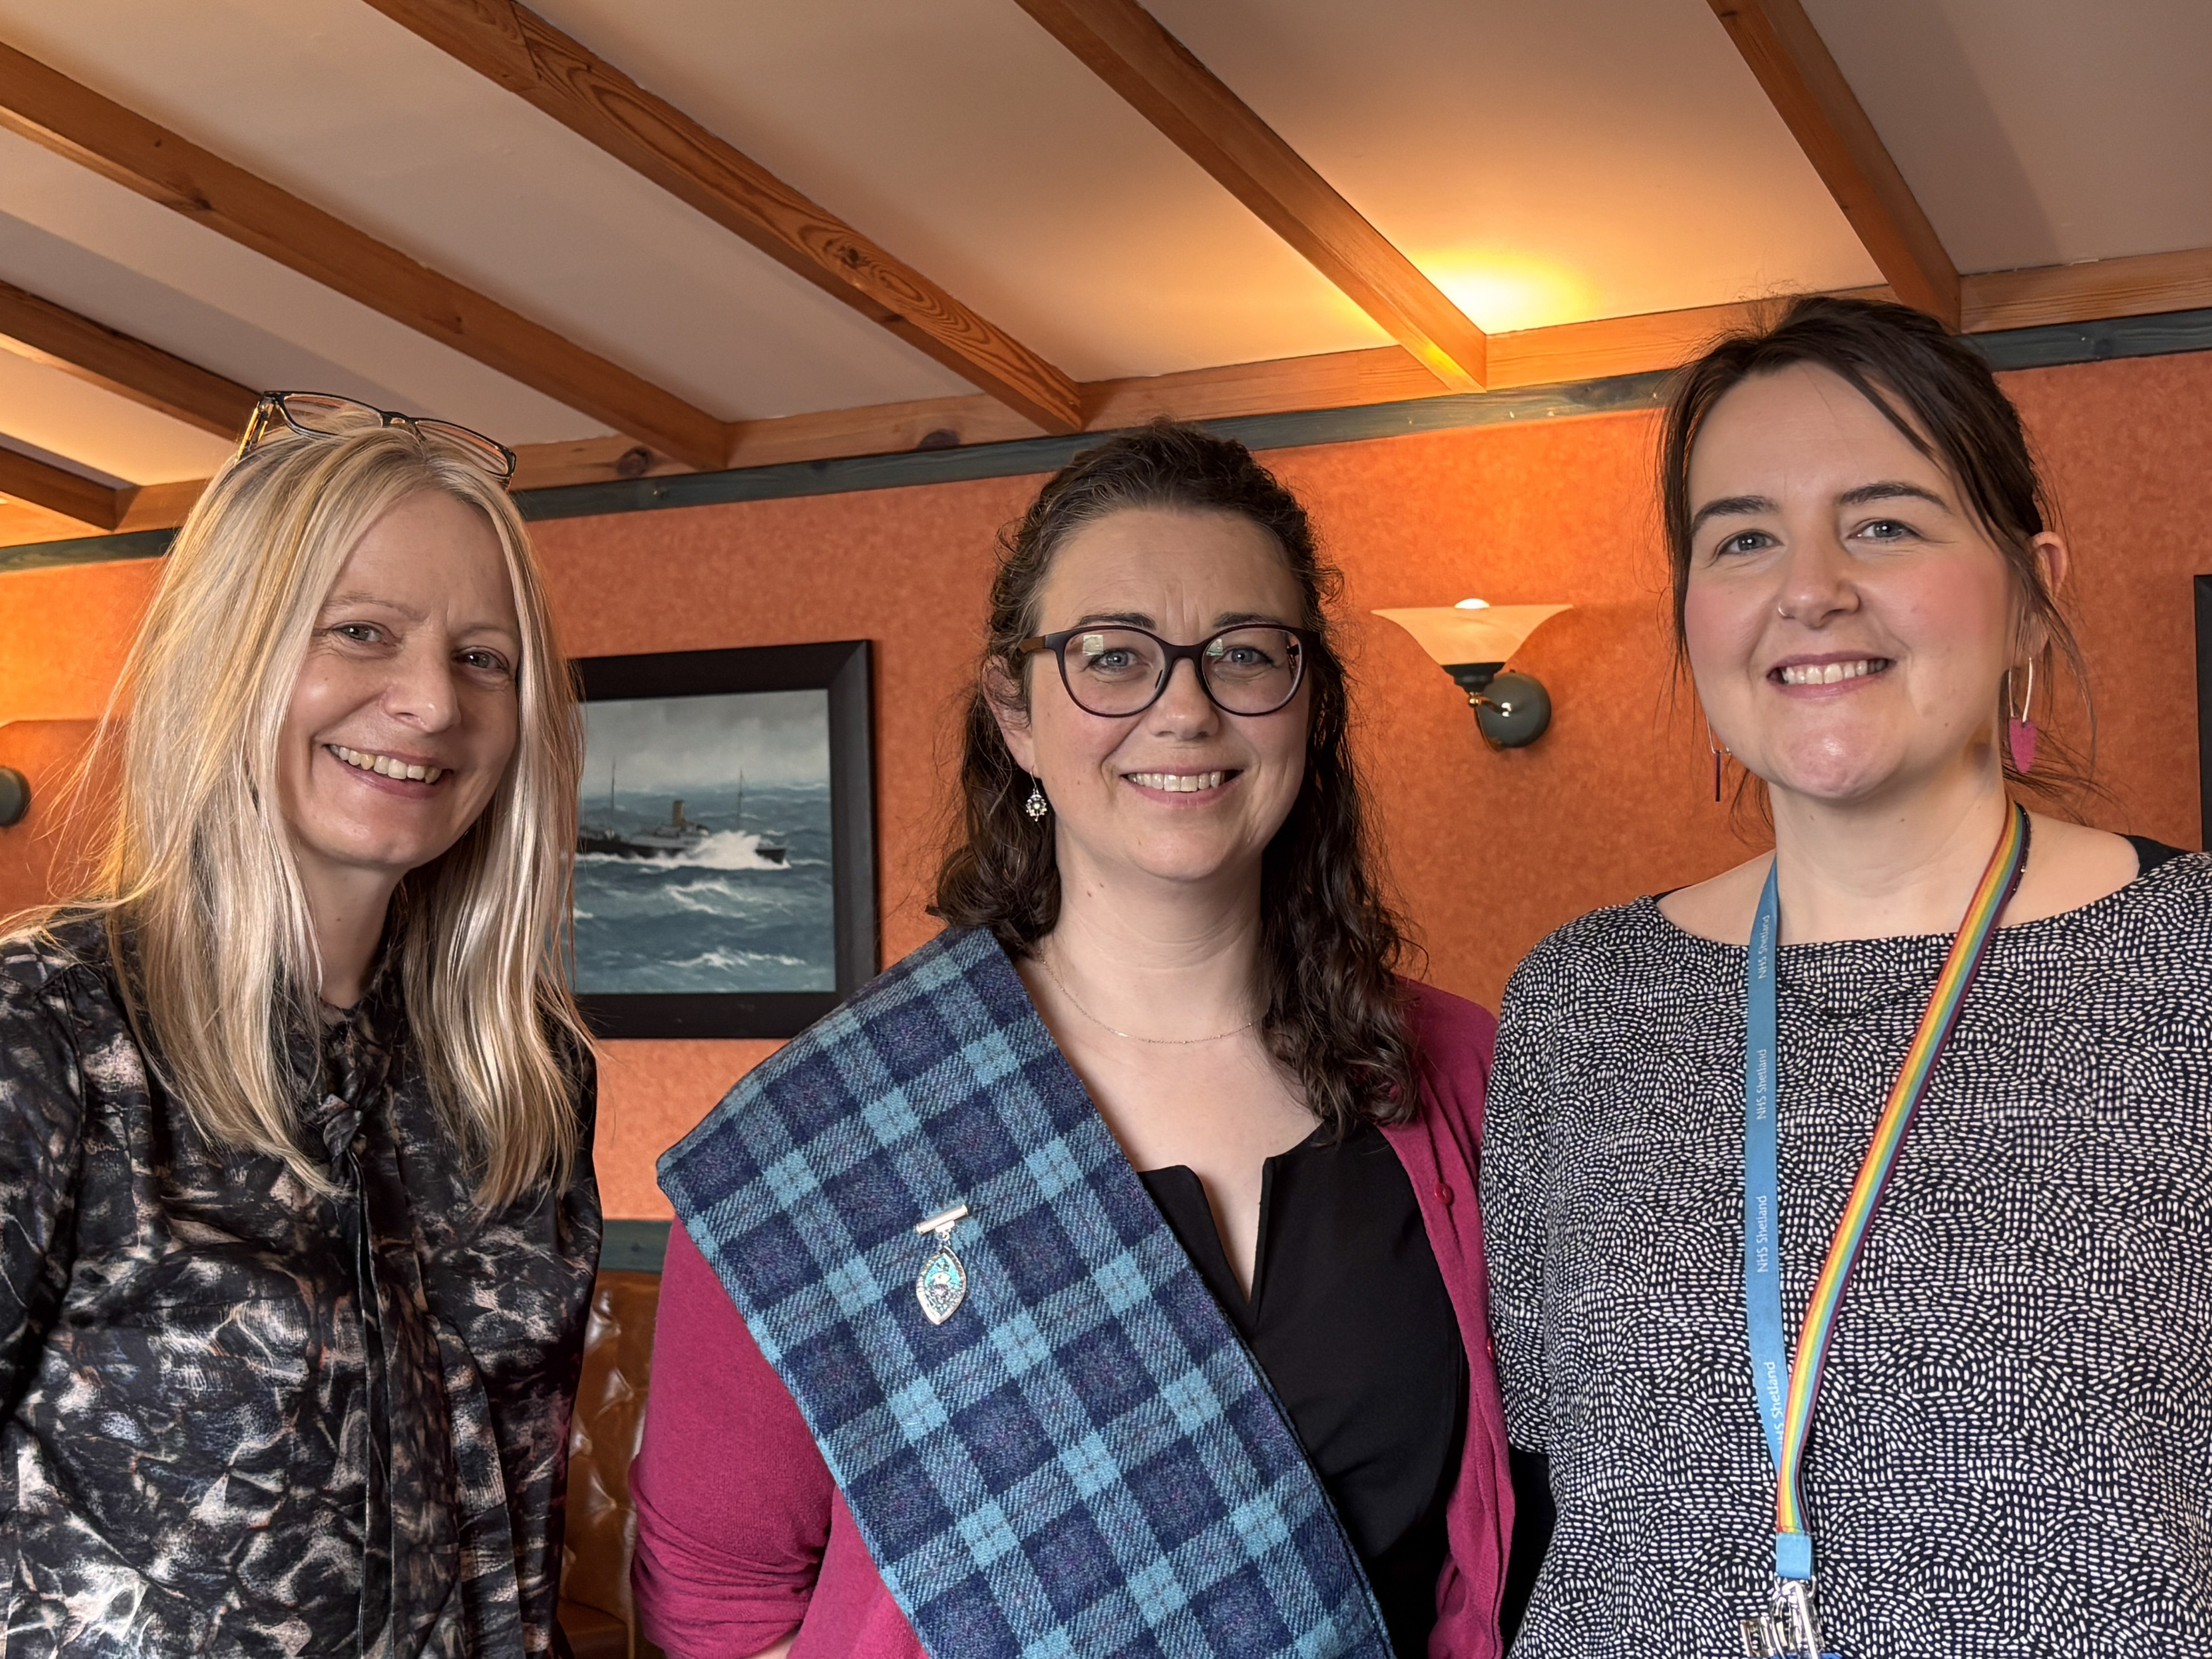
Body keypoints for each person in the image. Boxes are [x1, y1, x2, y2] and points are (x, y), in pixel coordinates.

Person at [633, 422, 1513, 1659]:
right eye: (1114, 658)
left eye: (1247, 655)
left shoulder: (1463, 1074)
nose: (1187, 708)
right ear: (1017, 712)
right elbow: (719, 1613)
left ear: (1311, 710)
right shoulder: (828, 1134)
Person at [1481, 295, 2212, 1658]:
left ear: (2028, 590)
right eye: (1744, 537)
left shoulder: (2192, 966)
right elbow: (1551, 1498)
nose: (1809, 586)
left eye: (1884, 520)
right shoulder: (1578, 1004)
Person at [0, 393, 601, 1656]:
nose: (431, 701)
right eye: (363, 632)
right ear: (233, 653)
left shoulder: (525, 1077)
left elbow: (525, 1548)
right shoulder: (44, 1031)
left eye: (483, 656)